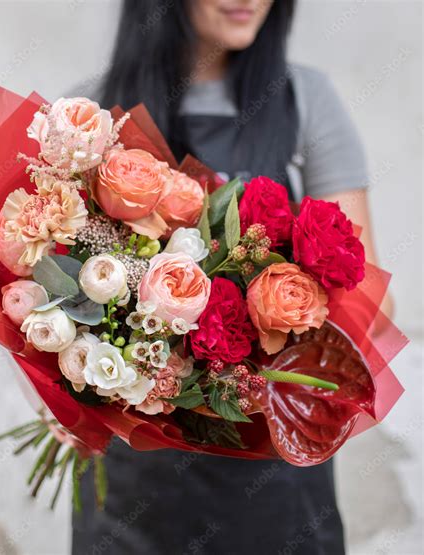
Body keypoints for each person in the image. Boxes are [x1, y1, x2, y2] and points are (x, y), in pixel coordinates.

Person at [72, 1, 392, 553]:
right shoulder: (90, 115)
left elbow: (372, 308)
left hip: (273, 479)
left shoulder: (303, 99)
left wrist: (257, 330)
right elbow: (48, 299)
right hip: (134, 490)